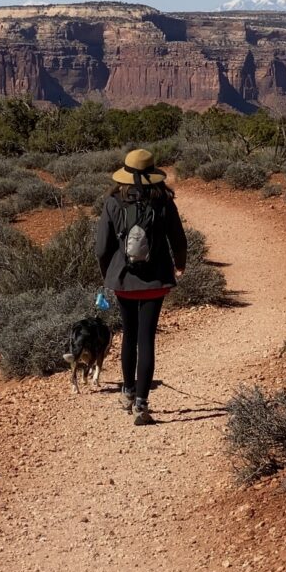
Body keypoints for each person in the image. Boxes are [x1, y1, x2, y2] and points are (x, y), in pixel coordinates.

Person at [95, 149, 187, 425]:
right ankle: (142, 406)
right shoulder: (164, 201)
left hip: (124, 280)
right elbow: (178, 240)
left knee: (130, 336)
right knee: (147, 339)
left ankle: (127, 392)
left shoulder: (113, 202)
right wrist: (179, 265)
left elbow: (102, 247)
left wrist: (108, 273)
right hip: (156, 280)